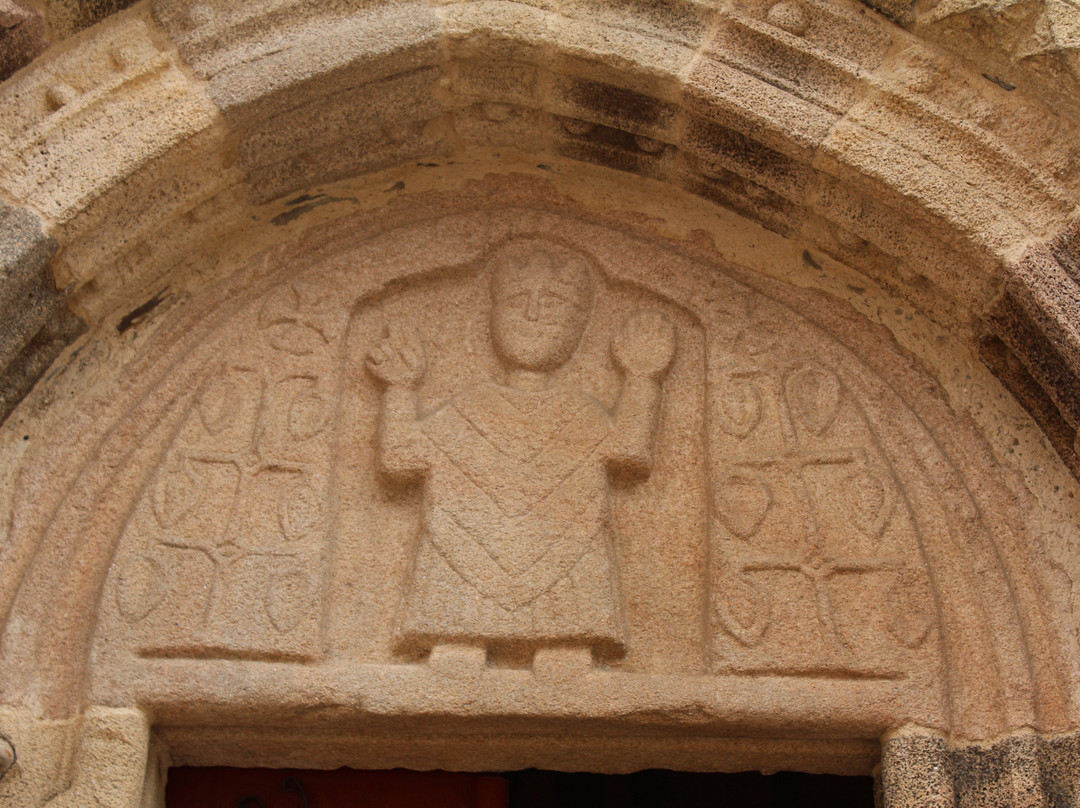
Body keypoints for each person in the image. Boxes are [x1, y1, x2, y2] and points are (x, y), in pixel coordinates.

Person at [367, 237, 676, 664]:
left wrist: (643, 378)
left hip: (566, 564)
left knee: (565, 664)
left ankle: (564, 649)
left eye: (552, 303)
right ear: (491, 316)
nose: (532, 314)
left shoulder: (580, 412)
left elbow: (631, 452)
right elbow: (400, 459)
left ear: (581, 324)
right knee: (454, 663)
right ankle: (457, 645)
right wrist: (399, 389)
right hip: (463, 570)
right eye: (515, 301)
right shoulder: (469, 407)